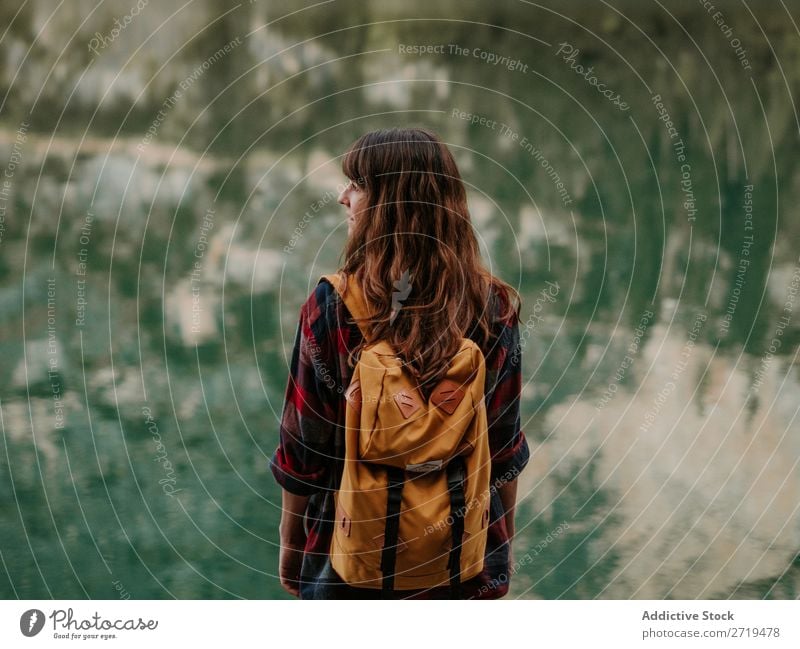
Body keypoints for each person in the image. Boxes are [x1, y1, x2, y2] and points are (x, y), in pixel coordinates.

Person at [270, 127, 530, 599]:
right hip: (460, 563)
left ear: (391, 202)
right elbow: (503, 447)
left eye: (358, 185)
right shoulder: (492, 307)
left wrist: (292, 544)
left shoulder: (334, 306)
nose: (343, 197)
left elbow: (304, 449)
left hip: (348, 558)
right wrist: (499, 545)